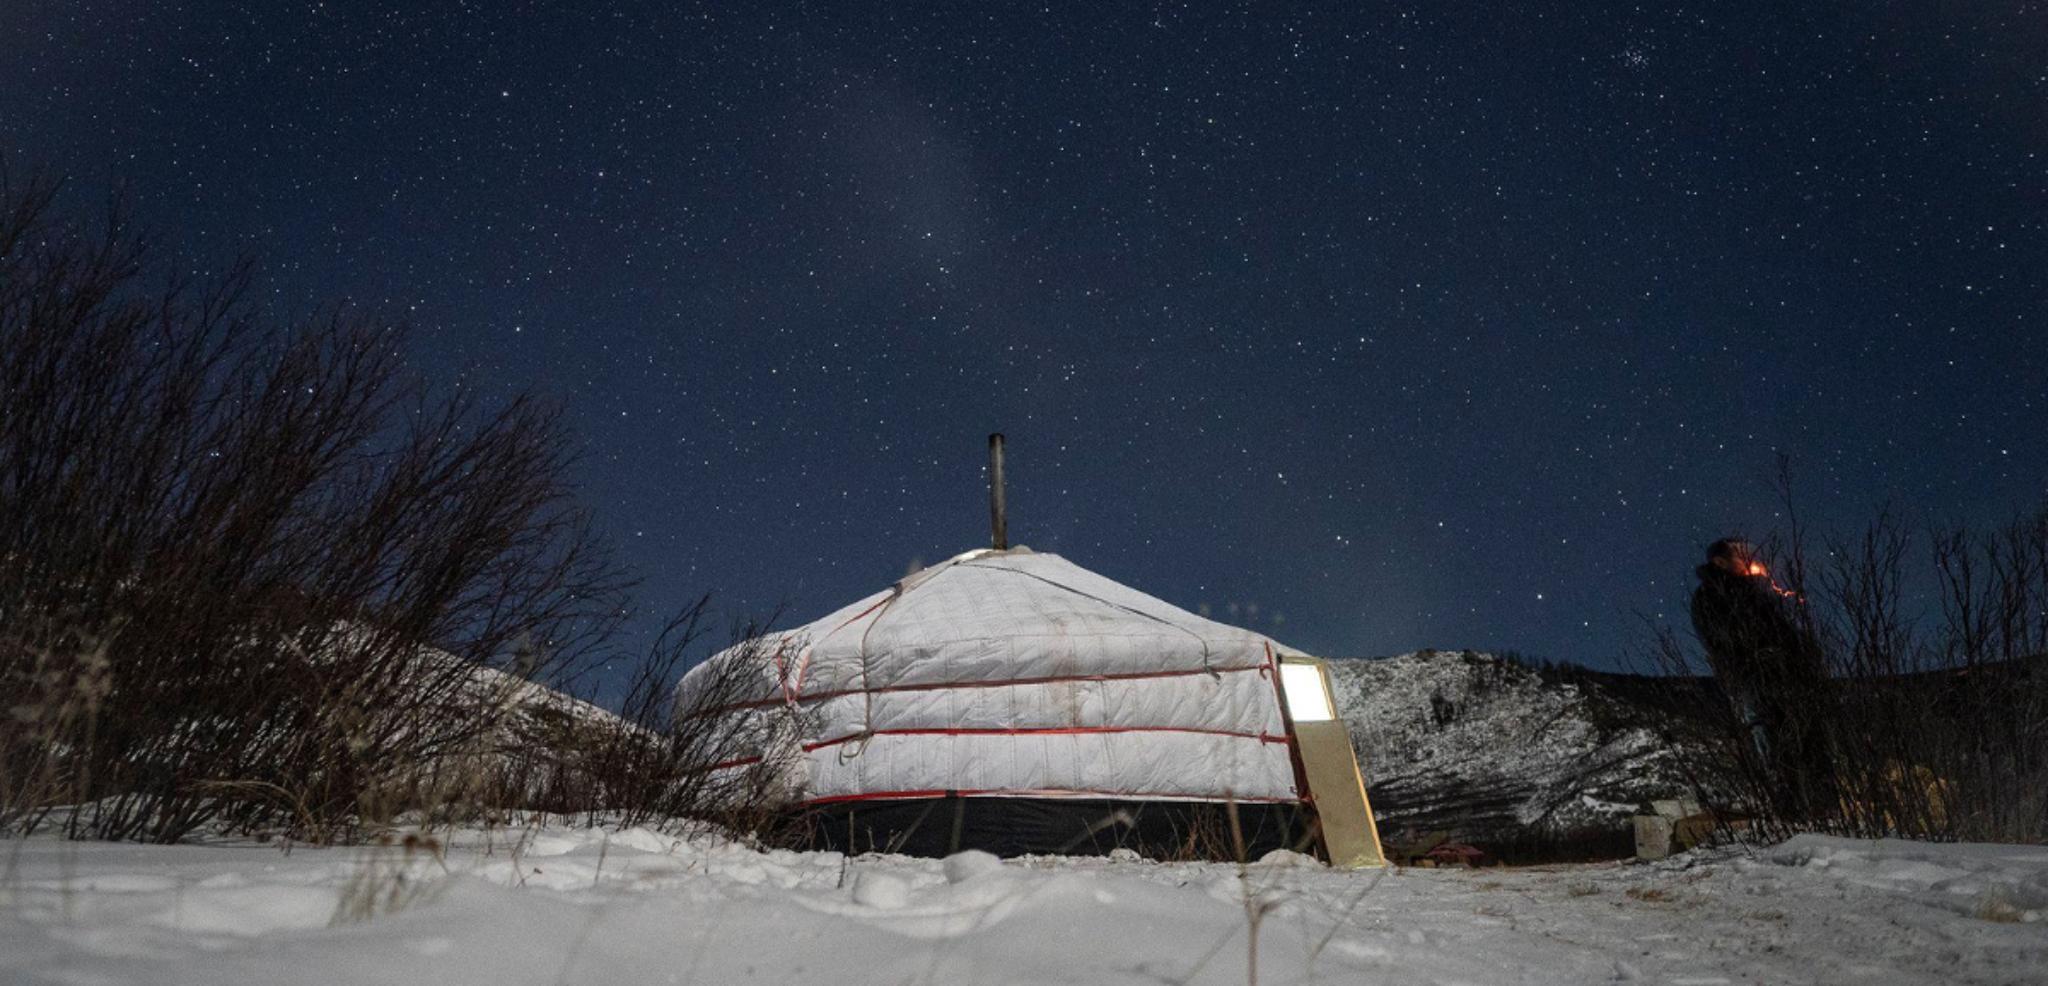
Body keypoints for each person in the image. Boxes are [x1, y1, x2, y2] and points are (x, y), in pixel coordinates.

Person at [1689, 538, 1834, 821]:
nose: (1749, 557)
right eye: (1740, 553)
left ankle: (1824, 811)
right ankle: (1794, 818)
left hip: (1790, 679)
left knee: (1809, 741)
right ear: (1720, 561)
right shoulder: (1710, 596)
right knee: (1775, 745)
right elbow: (1725, 638)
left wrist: (1803, 654)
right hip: (1754, 681)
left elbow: (1784, 631)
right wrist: (1762, 654)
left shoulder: (1757, 594)